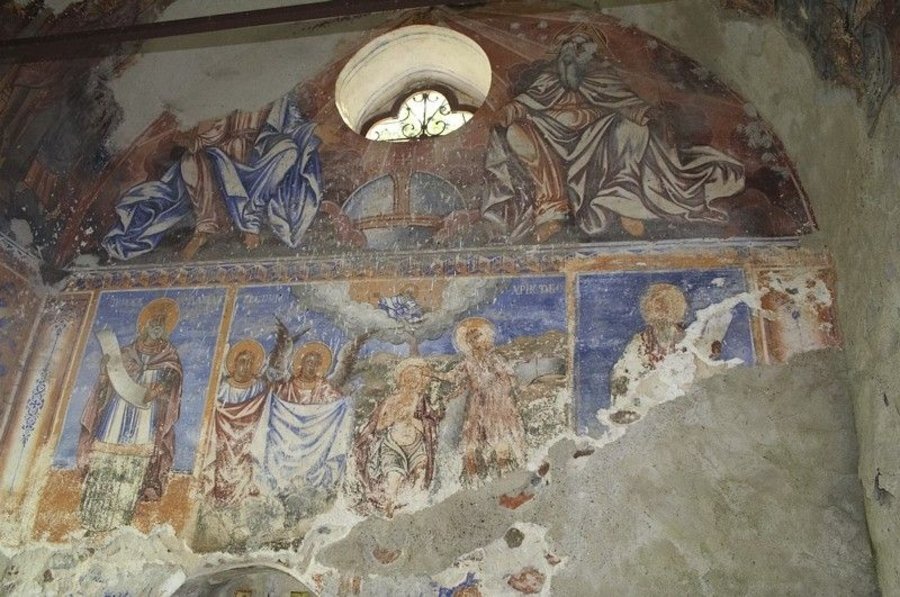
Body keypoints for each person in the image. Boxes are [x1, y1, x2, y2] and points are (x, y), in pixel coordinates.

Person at [482, 28, 745, 242]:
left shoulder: (602, 77)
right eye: (569, 47)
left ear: (590, 54)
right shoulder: (548, 80)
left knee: (633, 130)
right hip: (549, 133)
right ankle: (553, 209)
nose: (573, 52)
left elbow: (626, 104)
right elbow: (522, 105)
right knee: (516, 131)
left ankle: (622, 203)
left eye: (581, 47)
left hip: (597, 132)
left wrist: (647, 114)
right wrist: (503, 115)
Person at [102, 94, 323, 260]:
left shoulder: (281, 92)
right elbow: (213, 132)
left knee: (288, 149)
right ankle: (205, 228)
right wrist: (192, 142)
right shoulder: (233, 91)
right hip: (226, 152)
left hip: (261, 151)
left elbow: (293, 122)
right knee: (191, 161)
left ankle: (251, 222)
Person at [77, 297, 183, 530]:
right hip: (114, 418)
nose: (157, 326)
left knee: (133, 467)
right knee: (104, 462)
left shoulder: (169, 356)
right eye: (154, 322)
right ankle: (90, 521)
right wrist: (105, 372)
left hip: (145, 420)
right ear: (144, 325)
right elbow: (106, 385)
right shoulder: (125, 353)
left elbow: (171, 377)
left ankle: (120, 524)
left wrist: (160, 386)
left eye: (161, 323)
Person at [255, 341, 350, 498]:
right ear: (301, 363)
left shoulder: (324, 388)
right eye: (309, 362)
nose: (312, 366)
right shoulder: (288, 386)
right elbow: (275, 398)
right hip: (285, 440)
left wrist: (344, 402)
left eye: (316, 364)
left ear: (320, 367)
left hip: (315, 441)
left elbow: (336, 404)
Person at [355, 358, 441, 516]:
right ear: (402, 380)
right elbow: (378, 425)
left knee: (420, 473)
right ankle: (389, 508)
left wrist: (411, 419)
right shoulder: (391, 400)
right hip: (393, 446)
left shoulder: (422, 401)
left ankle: (416, 509)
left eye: (416, 379)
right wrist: (393, 417)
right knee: (394, 478)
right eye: (409, 378)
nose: (412, 382)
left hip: (416, 446)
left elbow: (429, 425)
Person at [448, 317, 527, 483]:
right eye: (470, 339)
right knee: (471, 445)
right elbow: (455, 379)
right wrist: (433, 376)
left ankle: (505, 477)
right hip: (477, 406)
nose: (474, 342)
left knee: (501, 442)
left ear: (486, 337)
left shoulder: (495, 359)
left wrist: (502, 388)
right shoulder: (468, 363)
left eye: (477, 336)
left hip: (498, 405)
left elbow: (510, 378)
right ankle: (474, 480)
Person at [208, 339, 268, 506]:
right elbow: (214, 408)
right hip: (224, 440)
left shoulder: (258, 387)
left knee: (244, 469)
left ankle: (241, 500)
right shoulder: (222, 387)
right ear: (234, 363)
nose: (246, 366)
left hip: (245, 441)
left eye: (250, 362)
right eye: (242, 361)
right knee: (222, 471)